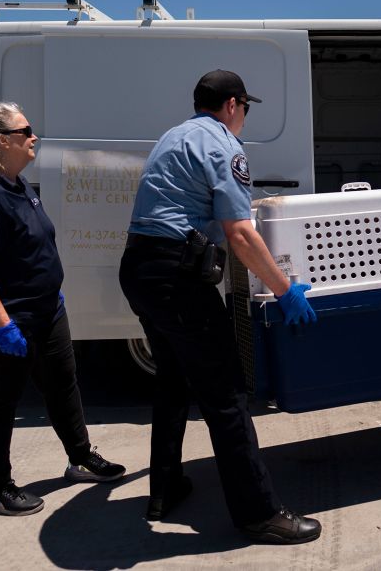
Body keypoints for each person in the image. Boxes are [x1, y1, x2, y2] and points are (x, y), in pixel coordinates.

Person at [119, 69, 322, 545]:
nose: (245, 117)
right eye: (245, 107)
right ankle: (258, 513)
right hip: (177, 278)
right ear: (232, 105)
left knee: (172, 380)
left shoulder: (174, 136)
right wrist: (285, 289)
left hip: (140, 270)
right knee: (226, 395)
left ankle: (164, 488)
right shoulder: (223, 145)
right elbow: (240, 233)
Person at [0, 102, 125, 516]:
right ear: (3, 141)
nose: (34, 136)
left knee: (63, 385)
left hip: (45, 313)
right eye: (27, 130)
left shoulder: (18, 185)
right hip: (5, 322)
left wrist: (49, 294)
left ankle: (80, 458)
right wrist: (3, 326)